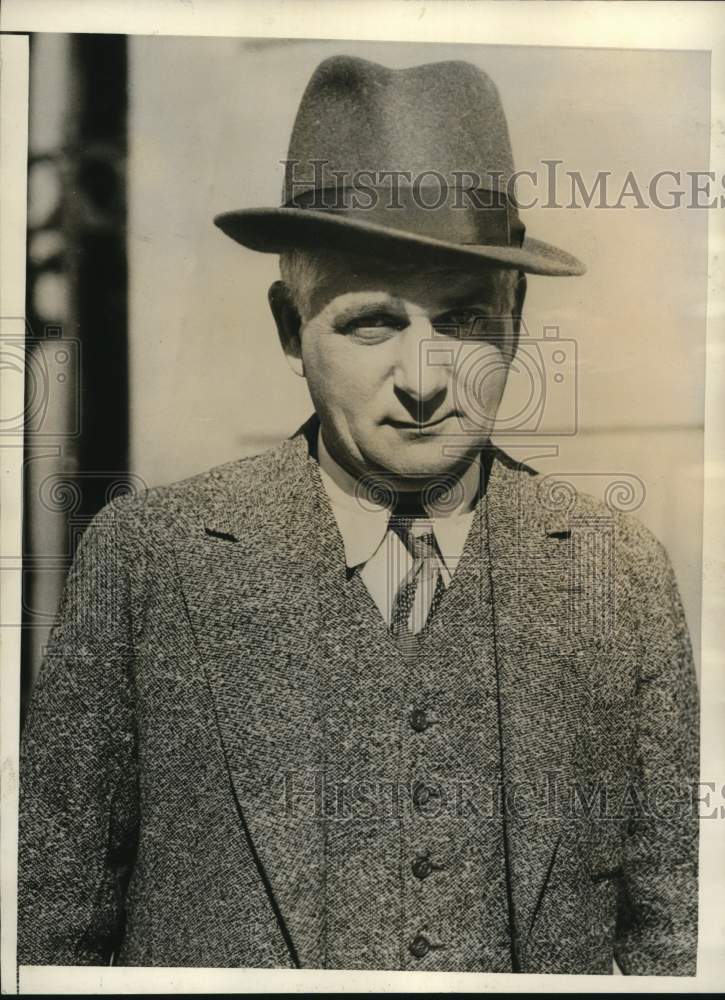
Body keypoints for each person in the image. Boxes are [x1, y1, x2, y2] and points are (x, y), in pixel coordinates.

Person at [18, 55, 699, 975]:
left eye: (460, 322)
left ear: (517, 316)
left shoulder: (616, 574)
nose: (422, 383)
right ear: (289, 327)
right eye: (370, 322)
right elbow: (45, 937)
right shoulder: (152, 563)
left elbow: (676, 945)